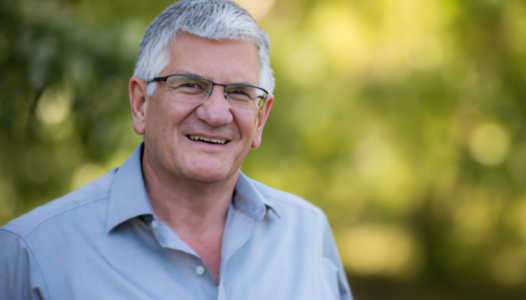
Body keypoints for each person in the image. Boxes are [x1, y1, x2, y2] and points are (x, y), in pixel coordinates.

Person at [0, 0, 352, 299]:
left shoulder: (308, 234)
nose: (216, 114)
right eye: (190, 85)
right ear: (140, 104)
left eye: (241, 92)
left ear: (261, 118)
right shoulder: (32, 253)